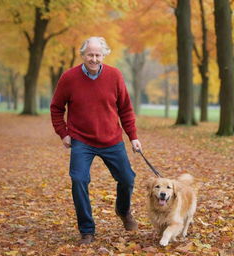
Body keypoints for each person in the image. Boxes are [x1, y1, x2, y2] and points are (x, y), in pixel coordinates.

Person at [50, 36, 142, 245]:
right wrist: (63, 133)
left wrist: (133, 137)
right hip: (82, 140)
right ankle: (87, 230)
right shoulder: (69, 78)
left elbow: (125, 109)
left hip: (111, 139)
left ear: (104, 55)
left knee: (127, 179)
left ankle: (123, 210)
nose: (93, 59)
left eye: (97, 55)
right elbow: (56, 108)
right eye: (89, 54)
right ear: (82, 55)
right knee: (79, 180)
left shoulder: (115, 76)